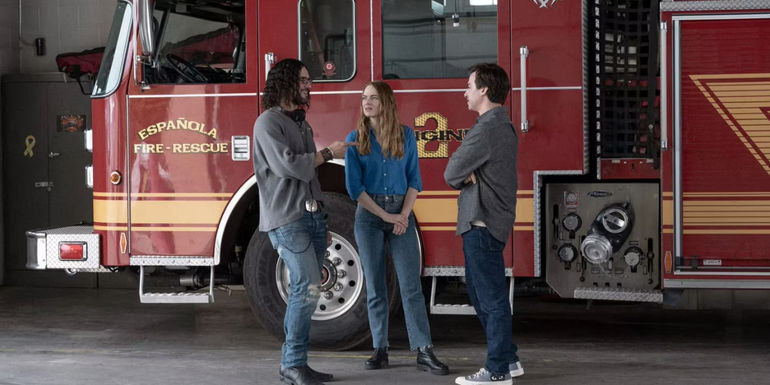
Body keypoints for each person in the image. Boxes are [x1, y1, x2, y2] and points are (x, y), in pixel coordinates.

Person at [252, 58, 351, 385]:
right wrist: (328, 153)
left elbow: (309, 178)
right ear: (285, 83)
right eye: (304, 80)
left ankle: (299, 364)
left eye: (309, 80)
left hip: (312, 218)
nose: (310, 85)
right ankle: (291, 364)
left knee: (308, 291)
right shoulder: (267, 123)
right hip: (288, 220)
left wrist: (320, 209)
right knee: (305, 288)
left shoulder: (301, 123)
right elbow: (289, 167)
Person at [344, 81, 449, 376]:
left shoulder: (405, 136)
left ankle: (424, 351)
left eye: (373, 98)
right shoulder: (356, 139)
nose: (367, 102)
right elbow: (355, 190)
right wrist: (388, 217)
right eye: (364, 97)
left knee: (410, 285)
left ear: (386, 103)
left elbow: (415, 180)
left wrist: (403, 214)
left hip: (401, 213)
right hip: (369, 216)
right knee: (376, 286)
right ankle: (380, 349)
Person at [444, 63, 523, 385]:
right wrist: (470, 175)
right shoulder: (501, 126)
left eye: (469, 85)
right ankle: (509, 358)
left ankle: (496, 371)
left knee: (489, 299)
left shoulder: (487, 128)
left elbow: (451, 172)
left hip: (482, 222)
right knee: (483, 295)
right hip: (489, 222)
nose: (465, 92)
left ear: (484, 91)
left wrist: (466, 176)